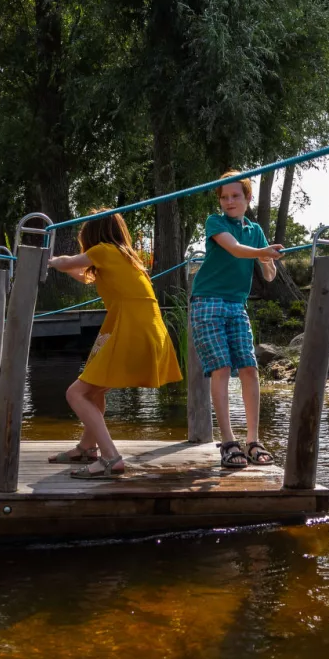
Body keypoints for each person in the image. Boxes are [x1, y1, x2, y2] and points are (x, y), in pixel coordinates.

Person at [47, 213, 182, 479]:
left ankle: (110, 457)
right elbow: (83, 275)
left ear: (93, 236)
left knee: (76, 394)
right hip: (149, 329)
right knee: (94, 389)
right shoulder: (126, 257)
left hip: (131, 329)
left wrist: (49, 261)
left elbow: (68, 263)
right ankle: (87, 447)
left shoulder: (103, 250)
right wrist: (64, 266)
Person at [190, 174, 284, 469]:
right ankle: (229, 441)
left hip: (236, 304)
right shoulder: (215, 223)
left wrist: (268, 258)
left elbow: (269, 276)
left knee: (249, 368)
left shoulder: (255, 231)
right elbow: (233, 248)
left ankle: (253, 440)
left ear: (247, 199)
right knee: (220, 367)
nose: (229, 202)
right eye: (224, 197)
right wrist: (261, 252)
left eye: (235, 196)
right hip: (208, 302)